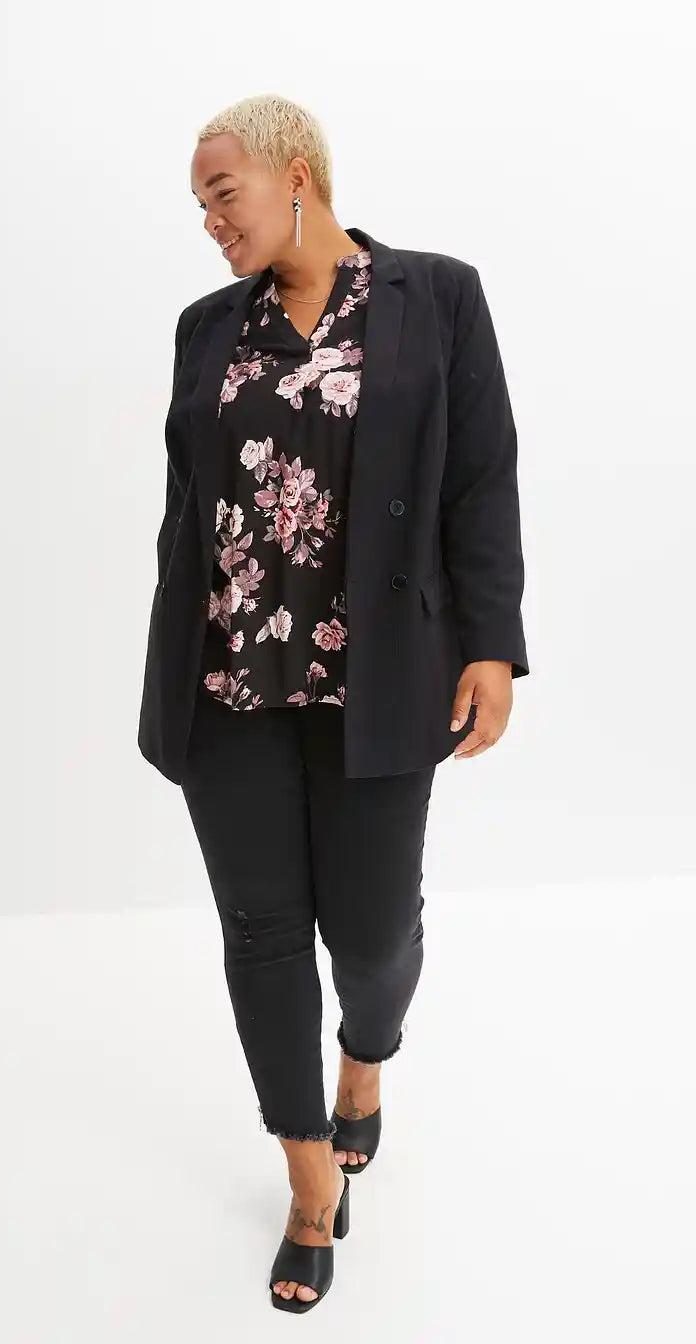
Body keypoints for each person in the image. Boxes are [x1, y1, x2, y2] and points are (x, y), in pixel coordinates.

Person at [137, 93, 529, 1313]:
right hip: (229, 680)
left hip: (381, 674)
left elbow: (481, 479)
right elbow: (185, 506)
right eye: (198, 204)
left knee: (370, 935)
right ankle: (309, 1181)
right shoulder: (209, 328)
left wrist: (491, 645)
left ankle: (366, 1060)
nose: (210, 221)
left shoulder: (437, 295)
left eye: (224, 194)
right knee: (261, 933)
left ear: (296, 174)